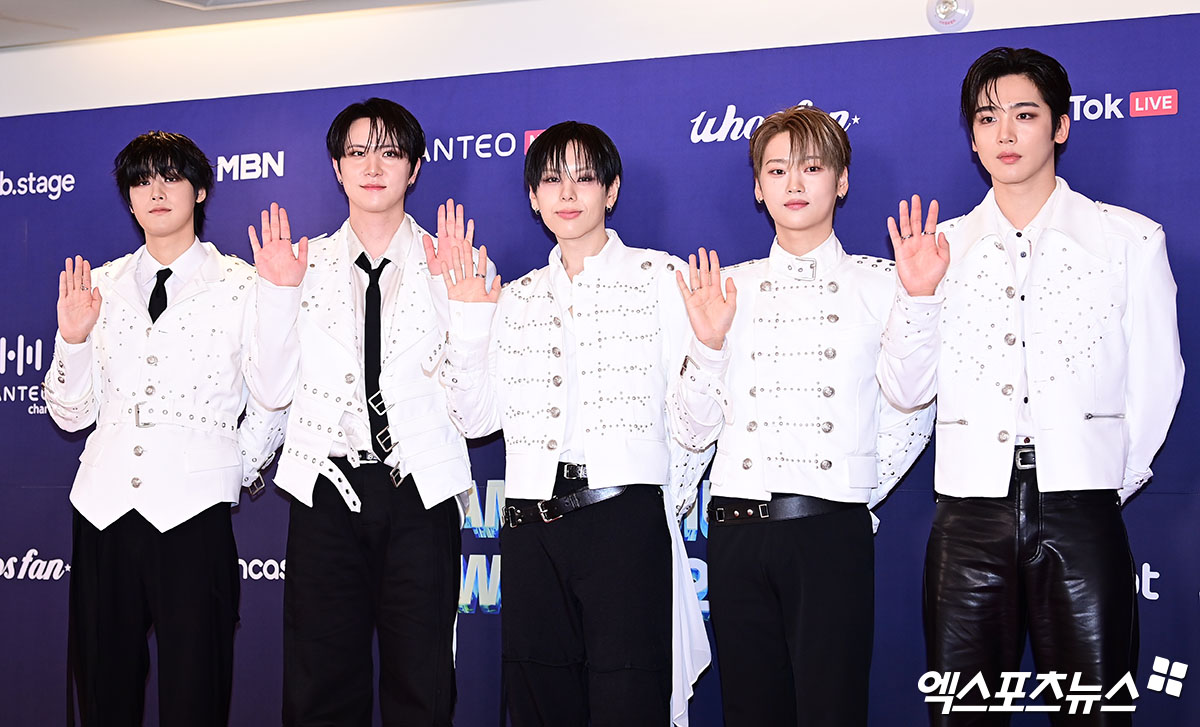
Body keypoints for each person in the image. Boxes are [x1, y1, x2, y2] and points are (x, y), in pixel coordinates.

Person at [876, 47, 1185, 724]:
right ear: (972, 136)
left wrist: (1102, 483)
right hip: (968, 520)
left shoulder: (1128, 240)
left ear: (1061, 126)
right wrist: (919, 295)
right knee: (962, 713)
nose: (1005, 134)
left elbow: (1158, 379)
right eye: (988, 118)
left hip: (1083, 512)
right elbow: (904, 389)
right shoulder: (941, 247)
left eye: (1025, 114)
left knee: (1096, 711)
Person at [431, 120, 711, 726]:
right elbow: (476, 421)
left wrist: (668, 493)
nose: (567, 193)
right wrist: (469, 325)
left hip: (623, 521)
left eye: (584, 178)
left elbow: (698, 419)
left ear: (611, 190)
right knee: (540, 701)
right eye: (552, 179)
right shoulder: (514, 296)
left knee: (629, 700)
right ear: (533, 197)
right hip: (530, 527)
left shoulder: (661, 279)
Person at [669, 105, 934, 726]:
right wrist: (708, 348)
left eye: (812, 167)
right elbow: (690, 430)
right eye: (777, 169)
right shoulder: (724, 289)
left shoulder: (885, 284)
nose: (794, 183)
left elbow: (911, 400)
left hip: (830, 533)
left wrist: (850, 492)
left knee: (830, 711)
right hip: (736, 532)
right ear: (758, 188)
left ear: (841, 181)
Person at [44, 130, 301, 726]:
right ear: (130, 200)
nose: (155, 191)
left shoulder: (244, 283)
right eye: (141, 181)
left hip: (194, 517)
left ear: (200, 190)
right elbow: (71, 414)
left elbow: (272, 396)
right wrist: (73, 341)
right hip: (103, 514)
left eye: (170, 177)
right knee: (103, 695)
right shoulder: (97, 285)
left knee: (196, 695)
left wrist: (229, 470)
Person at [263, 97, 489, 727]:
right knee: (319, 685)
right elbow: (272, 388)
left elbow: (476, 412)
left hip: (419, 491)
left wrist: (456, 299)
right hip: (326, 487)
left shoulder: (459, 263)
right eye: (357, 152)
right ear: (337, 167)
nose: (372, 166)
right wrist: (277, 295)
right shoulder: (296, 266)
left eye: (389, 152)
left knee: (422, 684)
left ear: (413, 168)